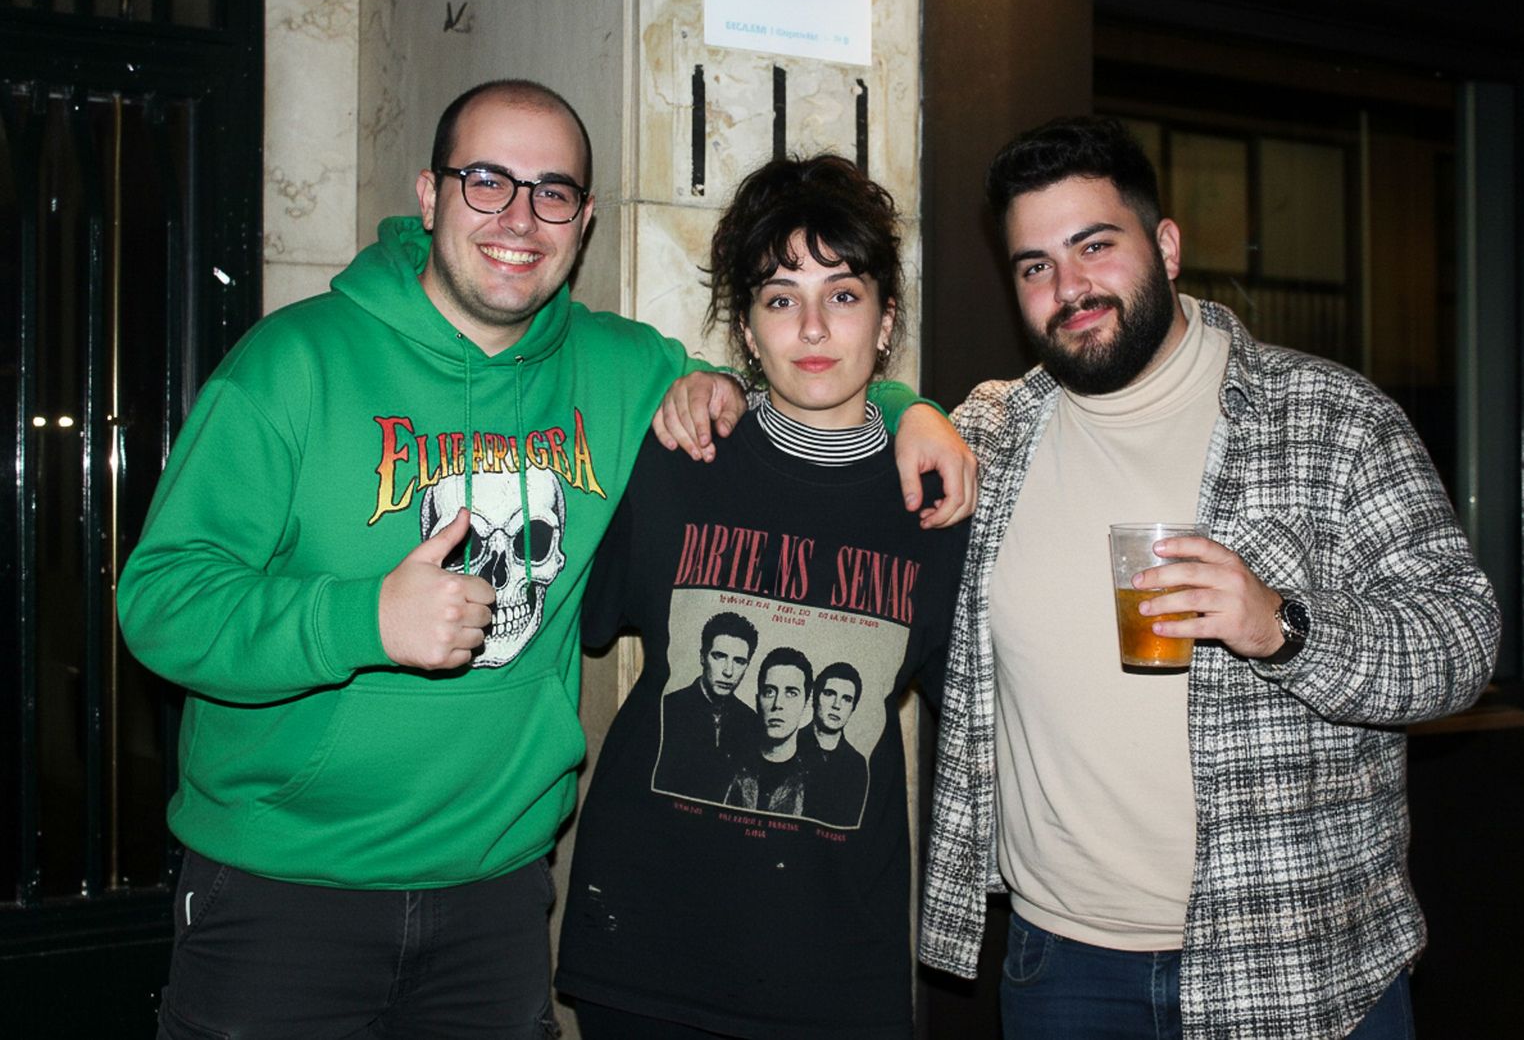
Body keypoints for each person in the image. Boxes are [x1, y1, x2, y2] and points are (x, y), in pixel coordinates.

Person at [117, 79, 972, 1039]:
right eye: (486, 181)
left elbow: (795, 379)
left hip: (496, 901)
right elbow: (159, 602)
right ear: (429, 194)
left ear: (586, 218)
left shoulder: (625, 370)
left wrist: (915, 410)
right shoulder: (293, 363)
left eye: (552, 191)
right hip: (284, 896)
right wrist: (363, 620)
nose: (519, 217)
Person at [918, 117, 1500, 1039]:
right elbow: (832, 414)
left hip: (1298, 958)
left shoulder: (1330, 419)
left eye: (1095, 246)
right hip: (1062, 963)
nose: (1069, 288)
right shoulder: (992, 434)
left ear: (1168, 245)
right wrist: (872, 402)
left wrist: (1284, 628)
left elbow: (1462, 643)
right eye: (1035, 266)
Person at [557, 153, 970, 1039]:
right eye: (781, 298)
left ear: (887, 319)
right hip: (647, 947)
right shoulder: (680, 456)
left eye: (845, 295)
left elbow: (982, 707)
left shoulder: (936, 504)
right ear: (746, 330)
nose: (813, 327)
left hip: (830, 963)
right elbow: (579, 619)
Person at [656, 611, 762, 799]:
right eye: (719, 656)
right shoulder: (667, 709)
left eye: (739, 661)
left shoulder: (751, 721)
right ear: (703, 657)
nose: (728, 671)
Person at [724, 647, 815, 814]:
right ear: (758, 702)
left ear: (807, 706)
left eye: (791, 693)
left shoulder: (815, 781)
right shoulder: (729, 767)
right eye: (770, 691)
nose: (777, 704)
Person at [798, 661, 870, 827]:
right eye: (830, 694)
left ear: (853, 708)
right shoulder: (789, 744)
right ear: (815, 697)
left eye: (846, 699)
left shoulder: (856, 764)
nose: (837, 705)